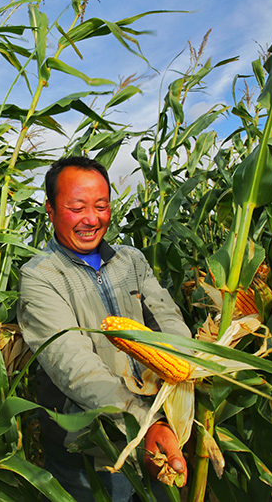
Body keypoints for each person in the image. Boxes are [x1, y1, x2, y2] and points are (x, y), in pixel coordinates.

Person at [17, 156, 191, 501]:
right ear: (50, 210)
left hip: (162, 435)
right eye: (77, 207)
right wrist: (142, 423)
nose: (91, 219)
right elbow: (75, 368)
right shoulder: (40, 277)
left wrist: (181, 383)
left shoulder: (132, 261)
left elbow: (169, 322)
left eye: (101, 206)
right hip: (90, 455)